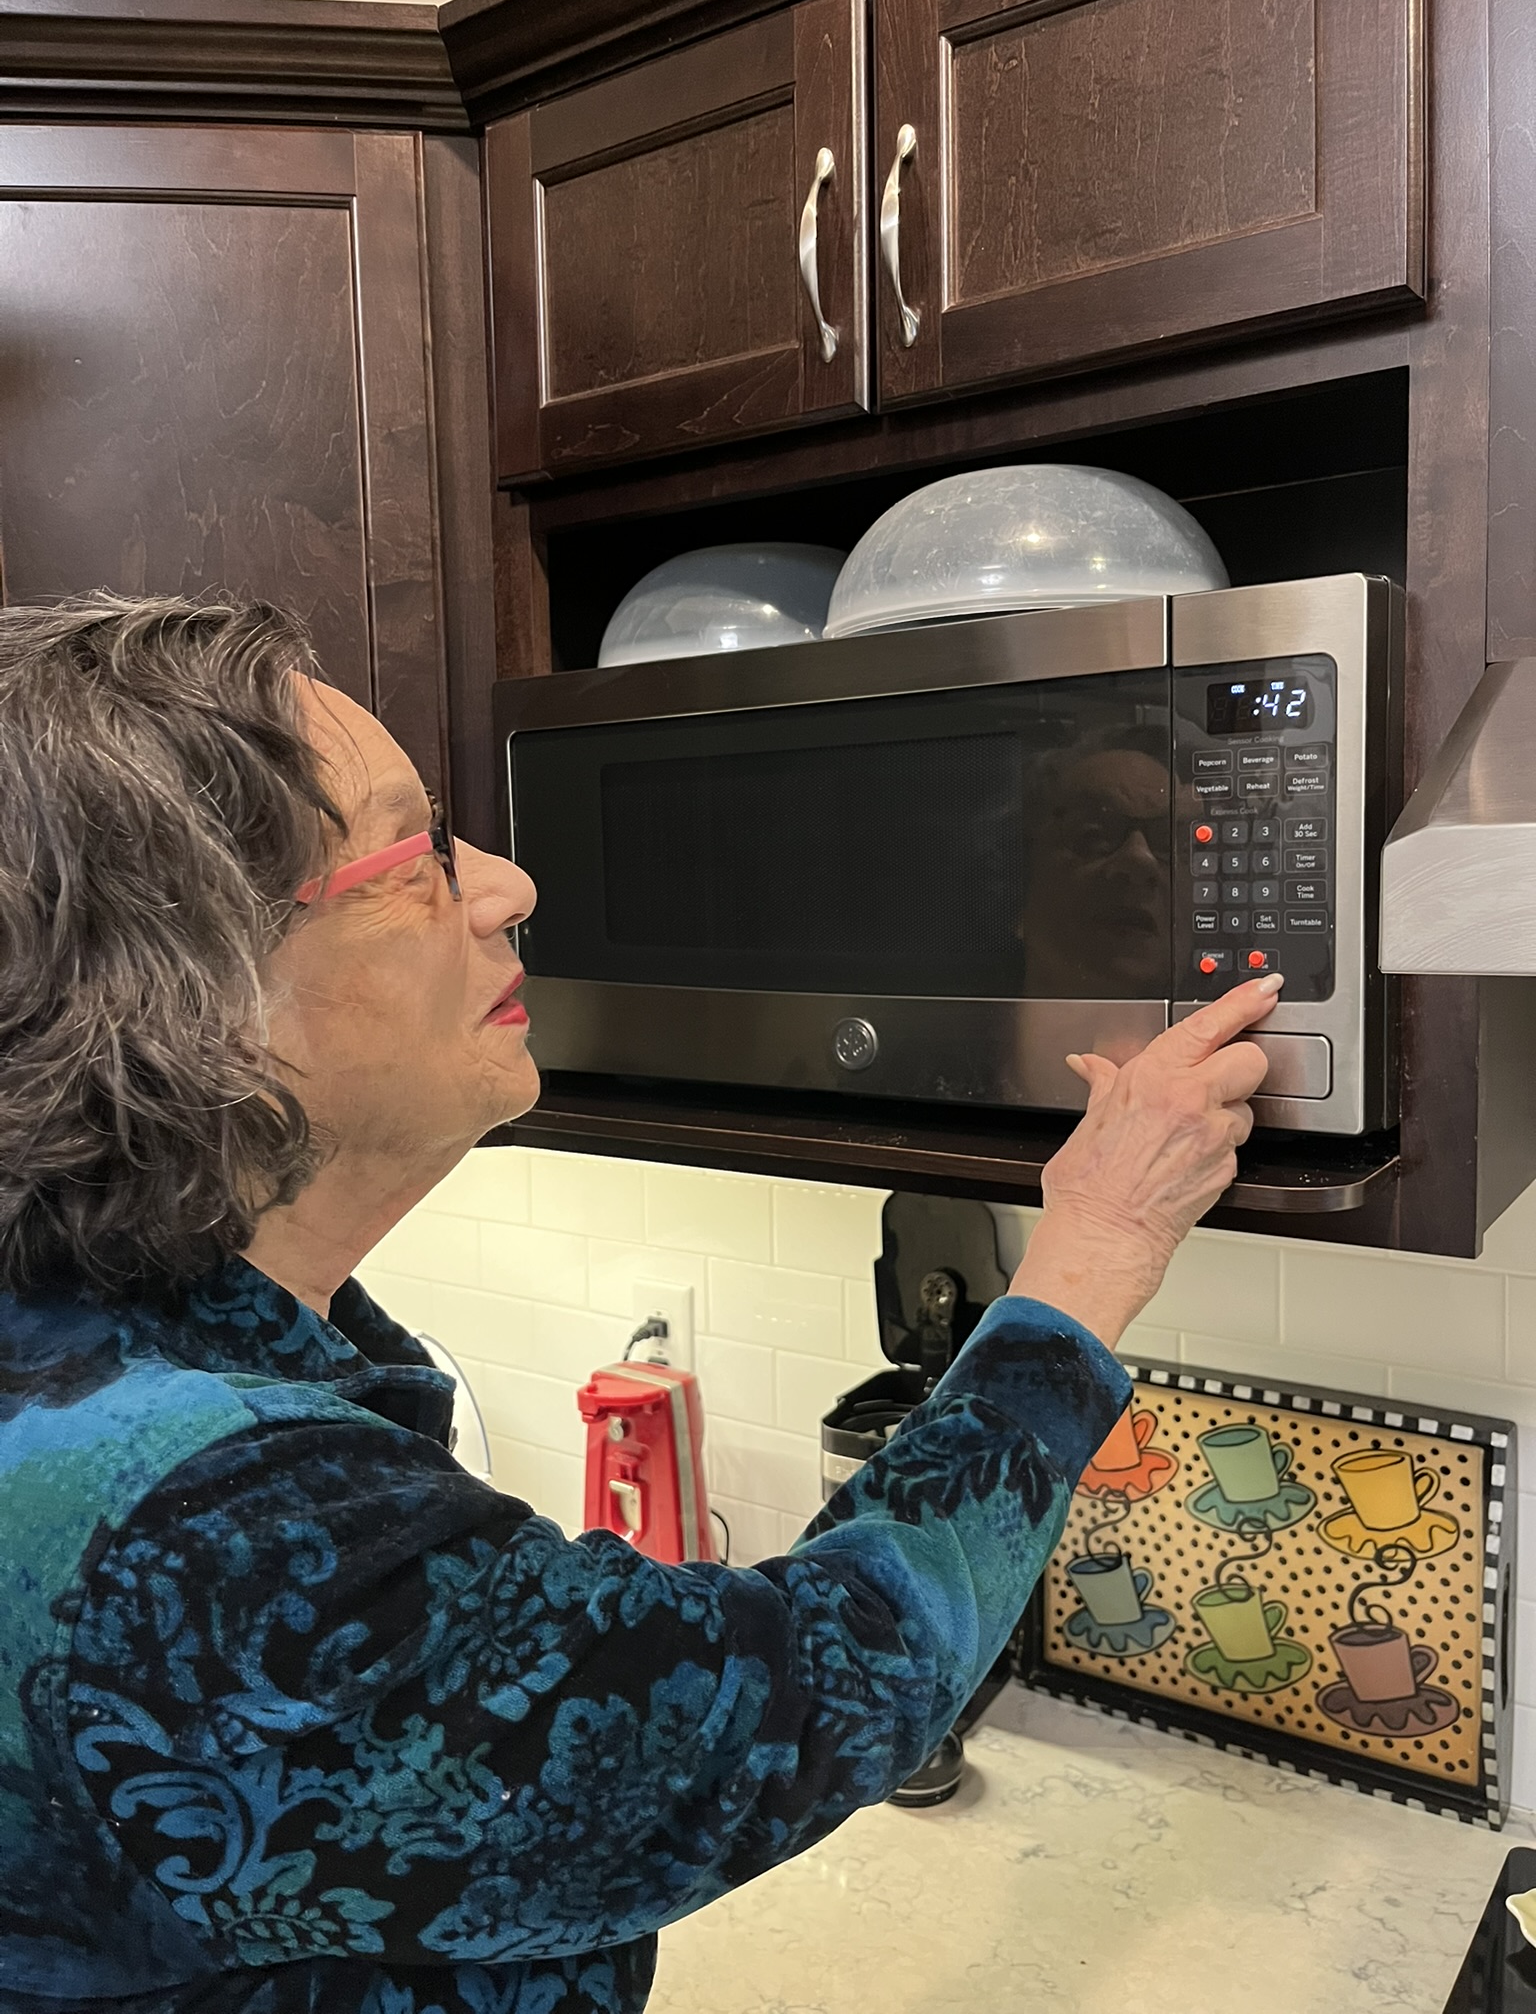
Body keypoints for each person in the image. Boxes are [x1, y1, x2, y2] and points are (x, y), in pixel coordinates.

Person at [0, 595, 1277, 2014]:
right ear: (198, 1003)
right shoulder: (220, 1537)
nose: (508, 886)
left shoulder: (93, 1336)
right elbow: (805, 1694)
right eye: (418, 859)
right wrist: (1097, 1241)